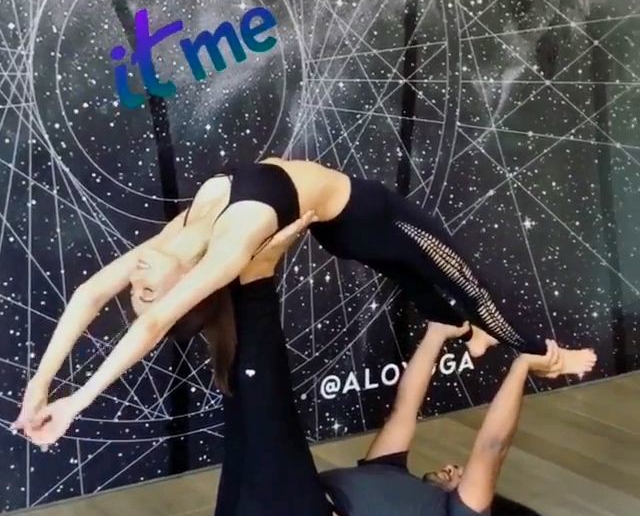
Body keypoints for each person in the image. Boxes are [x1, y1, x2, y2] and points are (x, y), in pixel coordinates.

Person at [14, 158, 595, 446]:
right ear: (190, 282)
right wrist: (78, 403)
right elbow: (153, 325)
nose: (136, 280)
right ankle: (542, 352)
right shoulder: (228, 248)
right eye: (146, 293)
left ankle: (470, 330)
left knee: (417, 277)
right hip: (366, 216)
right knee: (465, 278)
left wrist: (41, 385)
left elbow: (88, 294)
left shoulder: (169, 244)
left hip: (339, 227)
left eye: (137, 291)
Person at [210, 216, 572, 516]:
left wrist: (522, 367)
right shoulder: (389, 472)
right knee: (242, 407)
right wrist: (437, 334)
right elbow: (405, 408)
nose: (454, 468)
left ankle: (254, 282)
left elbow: (492, 446)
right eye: (457, 468)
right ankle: (235, 283)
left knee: (270, 423)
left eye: (459, 474)